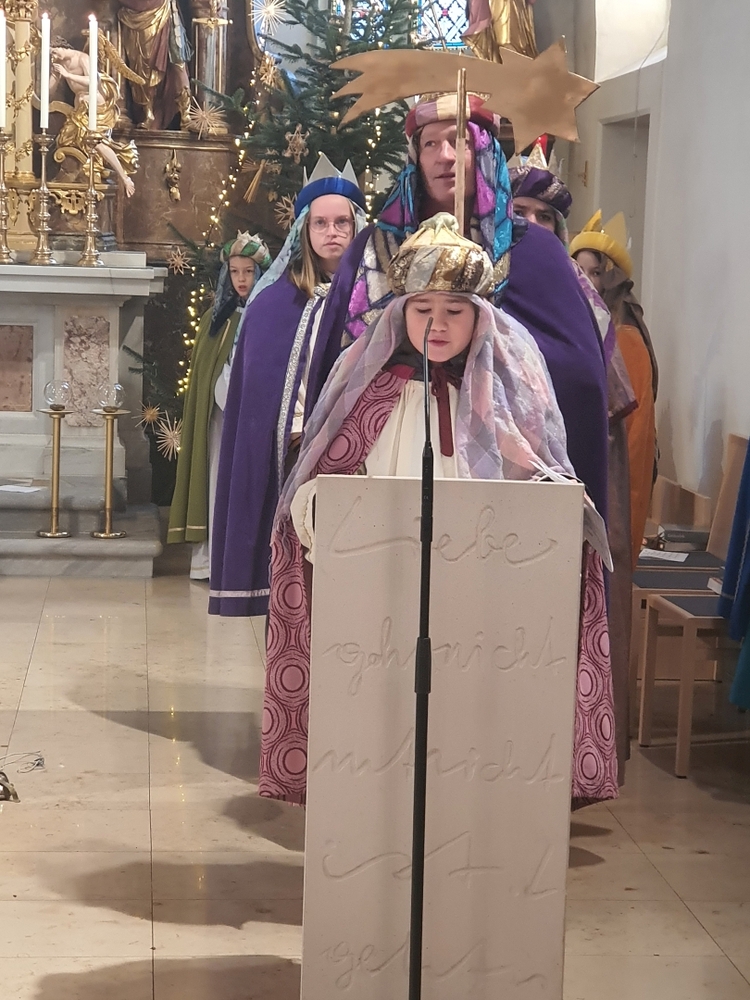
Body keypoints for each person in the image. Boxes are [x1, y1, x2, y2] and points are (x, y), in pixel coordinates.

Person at [259, 213, 618, 808]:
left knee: (467, 711)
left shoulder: (506, 389)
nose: (438, 324)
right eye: (423, 309)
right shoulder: (368, 385)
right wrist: (323, 509)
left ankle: (469, 807)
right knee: (390, 706)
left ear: (480, 316)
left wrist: (557, 504)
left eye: (455, 310)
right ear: (401, 311)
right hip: (383, 591)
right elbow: (326, 477)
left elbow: (532, 467)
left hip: (480, 593)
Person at [342, 93, 610, 525]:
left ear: (484, 152)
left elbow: (579, 375)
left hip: (502, 462)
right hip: (394, 445)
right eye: (430, 143)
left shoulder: (534, 250)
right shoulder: (374, 249)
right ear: (415, 156)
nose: (445, 156)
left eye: (459, 141)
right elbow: (340, 365)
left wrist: (491, 359)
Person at [209, 155, 369, 617]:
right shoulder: (271, 305)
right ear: (304, 229)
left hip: (357, 453)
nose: (332, 232)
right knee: (294, 575)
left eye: (342, 222)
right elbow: (256, 397)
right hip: (292, 450)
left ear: (358, 226)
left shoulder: (374, 298)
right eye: (321, 222)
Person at [167, 232, 271, 580]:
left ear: (261, 273)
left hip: (256, 421)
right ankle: (211, 560)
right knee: (216, 483)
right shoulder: (215, 320)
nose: (242, 280)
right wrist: (226, 393)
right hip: (220, 420)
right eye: (235, 272)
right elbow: (207, 375)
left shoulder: (270, 317)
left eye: (249, 272)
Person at [571, 212, 659, 569]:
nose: (585, 281)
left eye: (595, 273)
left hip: (611, 470)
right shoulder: (583, 326)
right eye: (578, 271)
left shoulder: (625, 338)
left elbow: (632, 435)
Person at [50, 43, 138, 196]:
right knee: (66, 138)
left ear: (62, 46)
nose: (54, 56)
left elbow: (93, 82)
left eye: (55, 52)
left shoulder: (82, 58)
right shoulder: (59, 64)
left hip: (96, 106)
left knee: (98, 143)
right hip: (80, 110)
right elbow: (49, 93)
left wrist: (67, 75)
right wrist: (53, 75)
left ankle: (124, 177)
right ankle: (85, 170)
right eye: (51, 54)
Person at [117, 0, 192, 129]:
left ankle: (186, 115)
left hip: (166, 14)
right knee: (144, 68)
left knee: (179, 65)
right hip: (136, 13)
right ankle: (148, 113)